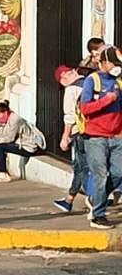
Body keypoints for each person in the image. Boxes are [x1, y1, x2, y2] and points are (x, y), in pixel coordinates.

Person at [80, 47, 122, 228]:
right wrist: (108, 100)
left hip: (116, 136)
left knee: (119, 173)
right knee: (100, 175)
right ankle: (98, 215)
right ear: (103, 62)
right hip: (96, 137)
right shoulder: (92, 81)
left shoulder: (119, 82)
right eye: (114, 63)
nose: (117, 67)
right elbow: (85, 108)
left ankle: (96, 198)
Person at [54, 64, 91, 213]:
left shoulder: (71, 90)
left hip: (82, 132)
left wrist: (65, 136)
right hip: (100, 130)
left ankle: (94, 198)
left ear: (63, 78)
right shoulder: (90, 82)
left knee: (82, 167)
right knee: (85, 166)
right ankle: (69, 199)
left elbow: (70, 117)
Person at [0, 101, 42, 182]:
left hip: (27, 147)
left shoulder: (15, 119)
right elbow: (3, 135)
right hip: (21, 144)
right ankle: (2, 173)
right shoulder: (9, 119)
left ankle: (2, 173)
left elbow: (9, 139)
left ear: (5, 112)